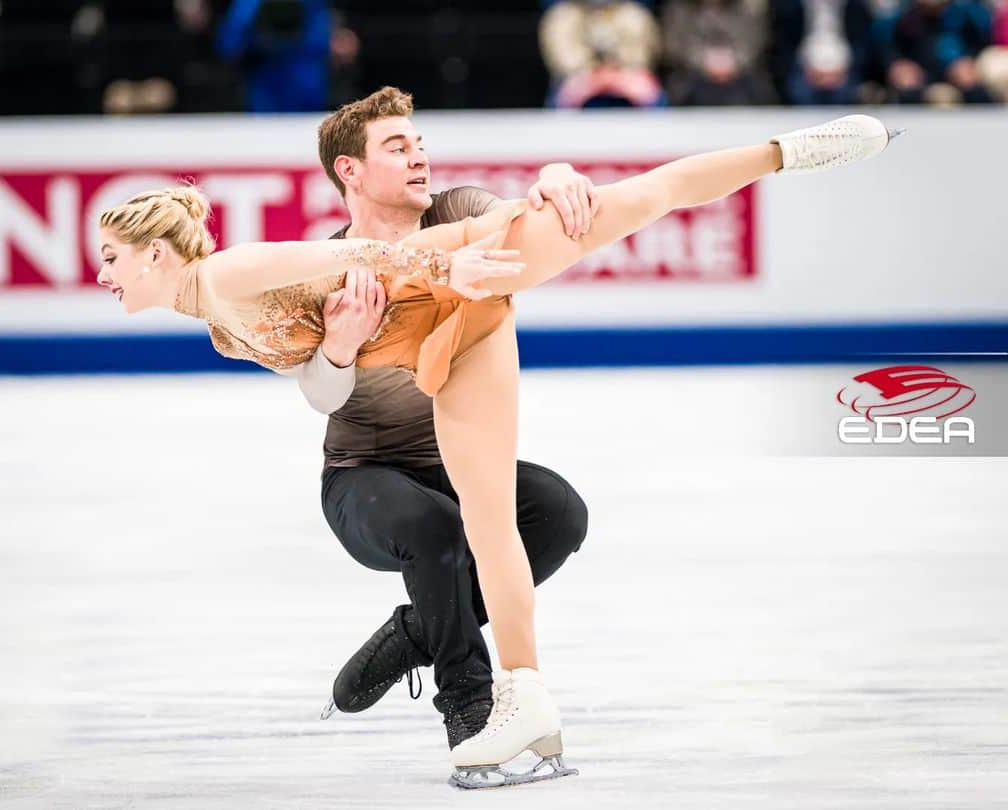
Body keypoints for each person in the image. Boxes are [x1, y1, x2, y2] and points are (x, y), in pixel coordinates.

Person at [96, 111, 900, 785]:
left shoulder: (235, 271)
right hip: (424, 363)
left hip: (460, 273)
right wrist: (355, 337)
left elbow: (354, 255)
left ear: (157, 253)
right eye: (396, 147)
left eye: (111, 258)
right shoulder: (222, 329)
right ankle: (524, 693)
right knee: (483, 514)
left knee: (634, 204)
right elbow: (324, 365)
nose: (104, 276)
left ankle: (786, 152)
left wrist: (483, 235)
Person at [297, 88, 593, 757]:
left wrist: (554, 178)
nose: (419, 157)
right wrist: (339, 346)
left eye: (420, 143)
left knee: (559, 513)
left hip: (457, 464)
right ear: (350, 170)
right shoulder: (330, 268)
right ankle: (470, 707)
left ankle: (414, 635)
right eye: (397, 148)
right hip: (364, 478)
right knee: (436, 530)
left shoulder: (460, 211)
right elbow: (318, 394)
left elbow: (529, 219)